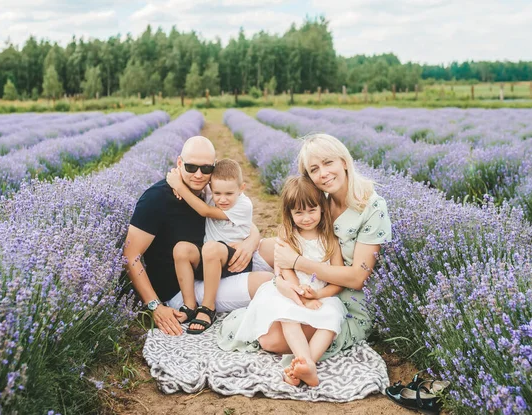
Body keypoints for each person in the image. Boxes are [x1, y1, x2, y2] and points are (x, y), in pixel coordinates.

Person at [218, 133, 392, 386]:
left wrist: (296, 262)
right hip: (308, 286)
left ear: (344, 161)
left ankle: (303, 366)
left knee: (272, 340)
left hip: (343, 297)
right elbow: (292, 232)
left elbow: (356, 278)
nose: (323, 173)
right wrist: (282, 274)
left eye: (328, 163)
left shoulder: (373, 207)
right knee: (268, 334)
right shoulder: (322, 199)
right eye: (314, 169)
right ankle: (305, 364)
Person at [123, 136, 268, 336]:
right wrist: (155, 306)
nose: (199, 175)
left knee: (274, 247)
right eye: (191, 167)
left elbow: (241, 219)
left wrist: (252, 242)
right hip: (184, 289)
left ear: (214, 168)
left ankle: (318, 285)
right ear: (179, 163)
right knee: (268, 283)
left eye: (206, 168)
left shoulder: (211, 191)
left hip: (214, 263)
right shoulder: (156, 199)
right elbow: (130, 256)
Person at [230, 176, 347, 386]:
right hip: (290, 291)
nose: (306, 218)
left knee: (332, 318)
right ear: (290, 213)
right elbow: (285, 271)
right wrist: (301, 294)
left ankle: (305, 365)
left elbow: (338, 281)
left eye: (312, 210)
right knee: (288, 317)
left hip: (321, 295)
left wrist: (317, 295)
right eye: (298, 212)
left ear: (322, 208)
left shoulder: (330, 239)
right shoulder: (289, 235)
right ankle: (307, 363)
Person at [165, 158, 254, 334]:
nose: (222, 199)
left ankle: (207, 307)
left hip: (233, 261)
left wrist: (180, 187)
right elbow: (196, 186)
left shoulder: (244, 205)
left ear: (241, 188)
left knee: (211, 247)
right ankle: (189, 304)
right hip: (209, 260)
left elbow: (205, 211)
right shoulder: (213, 192)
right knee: (181, 249)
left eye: (229, 194)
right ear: (211, 188)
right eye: (217, 193)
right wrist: (177, 176)